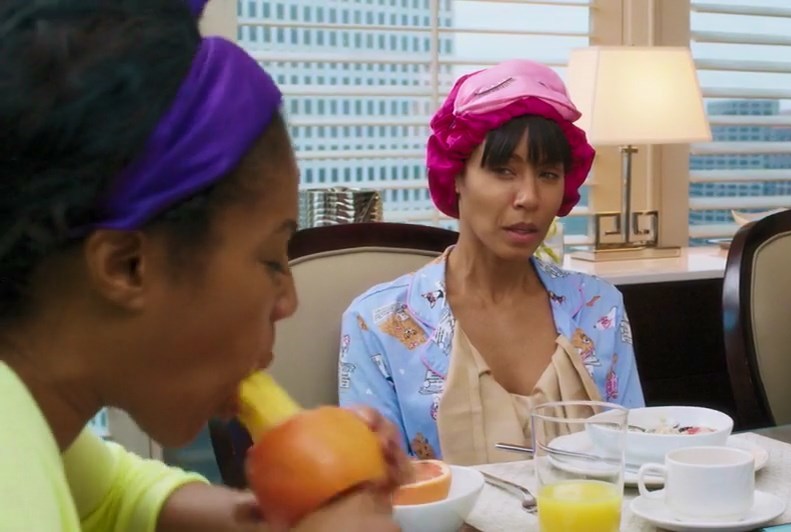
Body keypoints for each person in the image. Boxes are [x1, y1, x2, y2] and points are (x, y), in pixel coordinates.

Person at [0, 1, 407, 530]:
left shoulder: (35, 420)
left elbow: (115, 499)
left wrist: (300, 505)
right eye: (270, 259)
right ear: (127, 266)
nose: (289, 302)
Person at [338, 59, 645, 466]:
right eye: (503, 170)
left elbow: (636, 461)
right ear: (455, 175)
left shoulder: (598, 308)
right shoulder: (379, 323)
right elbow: (374, 488)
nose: (529, 197)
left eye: (548, 174)